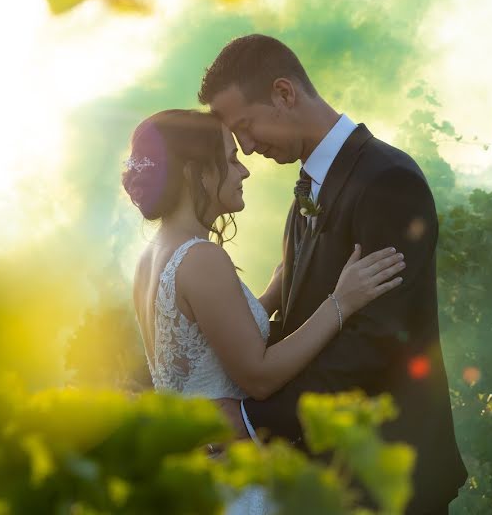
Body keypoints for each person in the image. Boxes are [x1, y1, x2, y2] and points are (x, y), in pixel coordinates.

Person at [198, 34, 468, 514]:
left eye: (245, 126)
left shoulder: (387, 180)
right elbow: (304, 315)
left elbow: (375, 341)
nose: (247, 147)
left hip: (387, 473)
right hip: (331, 468)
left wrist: (252, 417)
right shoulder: (309, 183)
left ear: (284, 93)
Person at [122, 108, 404, 514]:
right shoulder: (202, 258)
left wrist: (270, 295)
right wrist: (341, 302)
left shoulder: (154, 254)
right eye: (231, 158)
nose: (244, 171)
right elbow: (258, 375)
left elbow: (204, 337)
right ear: (193, 171)